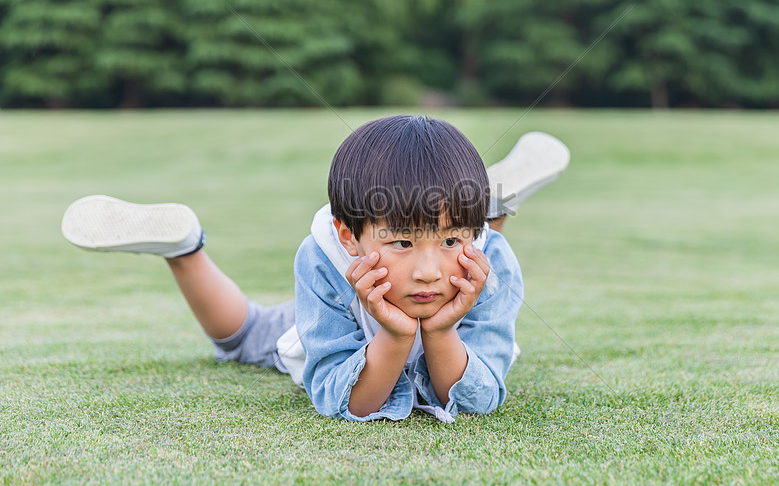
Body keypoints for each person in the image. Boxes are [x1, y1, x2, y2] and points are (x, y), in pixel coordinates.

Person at [61, 115, 569, 422]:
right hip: (351, 313)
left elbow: (479, 399)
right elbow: (344, 401)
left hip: (450, 260)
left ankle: (488, 200)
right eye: (400, 241)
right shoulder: (325, 257)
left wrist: (440, 330)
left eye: (457, 236)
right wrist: (393, 338)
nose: (429, 273)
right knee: (245, 337)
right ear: (350, 237)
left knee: (454, 242)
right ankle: (185, 247)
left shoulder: (491, 263)